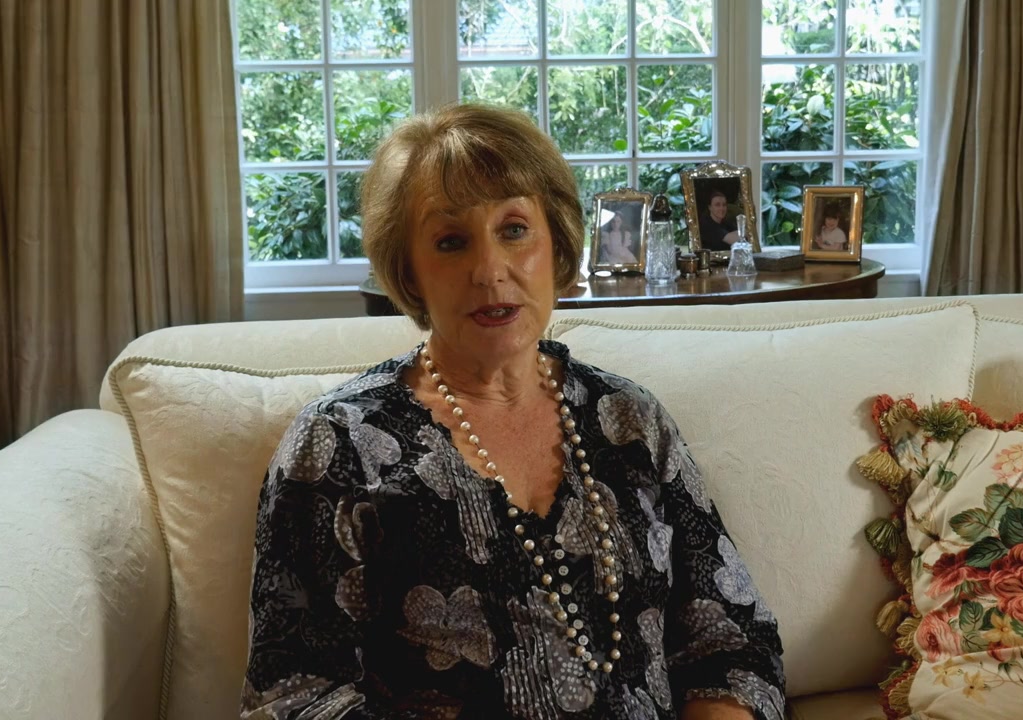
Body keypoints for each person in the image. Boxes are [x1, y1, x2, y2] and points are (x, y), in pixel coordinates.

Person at [241, 104, 785, 720]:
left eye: (515, 229)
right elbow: (295, 697)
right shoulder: (338, 443)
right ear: (411, 273)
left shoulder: (631, 420)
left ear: (557, 247)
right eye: (451, 242)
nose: (489, 270)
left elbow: (733, 643)